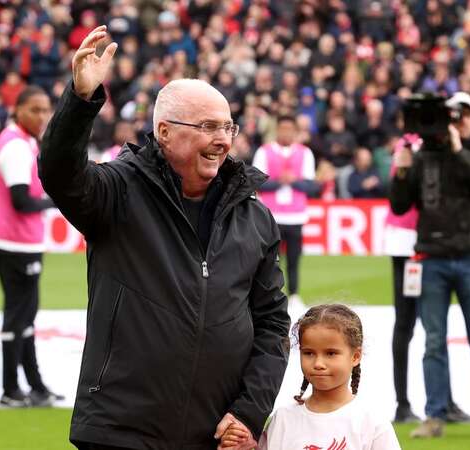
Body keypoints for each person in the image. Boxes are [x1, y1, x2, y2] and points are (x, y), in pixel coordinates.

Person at [39, 26, 290, 450]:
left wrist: (249, 411)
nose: (222, 139)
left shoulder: (255, 217)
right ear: (165, 132)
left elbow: (272, 323)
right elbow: (60, 176)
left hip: (216, 434)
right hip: (122, 433)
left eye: (228, 127)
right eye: (208, 126)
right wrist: (80, 102)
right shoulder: (119, 191)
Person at [389, 92, 470, 439]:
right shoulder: (423, 157)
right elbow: (400, 206)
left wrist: (459, 149)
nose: (460, 122)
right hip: (432, 257)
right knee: (434, 341)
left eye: (466, 115)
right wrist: (401, 170)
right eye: (454, 116)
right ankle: (435, 416)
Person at [384, 134, 470, 425]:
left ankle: (436, 402)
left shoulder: (414, 146)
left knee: (430, 324)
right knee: (411, 323)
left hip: (422, 239)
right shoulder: (410, 147)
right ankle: (409, 403)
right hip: (411, 241)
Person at [221, 304, 401, 450]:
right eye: (309, 353)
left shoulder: (371, 423)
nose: (318, 363)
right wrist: (245, 446)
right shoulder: (283, 418)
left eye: (331, 353)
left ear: (355, 356)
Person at [0, 85, 61, 408]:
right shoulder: (16, 146)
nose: (42, 116)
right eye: (36, 110)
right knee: (19, 315)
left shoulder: (20, 140)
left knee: (25, 315)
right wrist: (58, 200)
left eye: (46, 110)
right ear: (18, 110)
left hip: (13, 239)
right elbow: (21, 200)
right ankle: (10, 389)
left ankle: (34, 385)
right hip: (15, 242)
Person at [252, 115, 319, 302]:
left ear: (295, 132)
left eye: (290, 129)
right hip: (270, 215)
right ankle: (271, 295)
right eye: (283, 129)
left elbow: (310, 186)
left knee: (294, 258)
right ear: (277, 130)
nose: (286, 133)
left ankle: (295, 294)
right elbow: (258, 183)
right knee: (270, 260)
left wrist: (294, 182)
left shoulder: (305, 153)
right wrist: (279, 182)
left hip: (296, 216)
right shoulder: (264, 152)